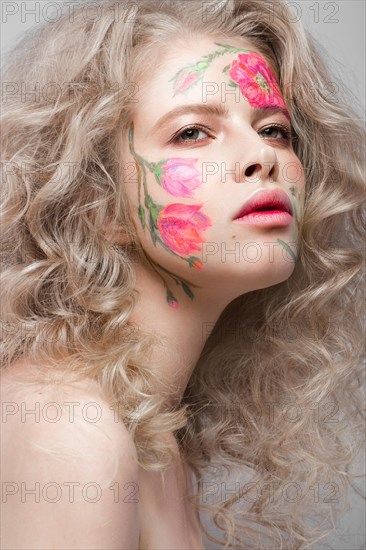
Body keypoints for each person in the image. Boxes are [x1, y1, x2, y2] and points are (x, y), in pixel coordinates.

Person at [1, 0, 364, 548]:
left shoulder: (156, 433)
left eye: (274, 129)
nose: (260, 156)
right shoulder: (69, 430)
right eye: (193, 133)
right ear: (97, 203)